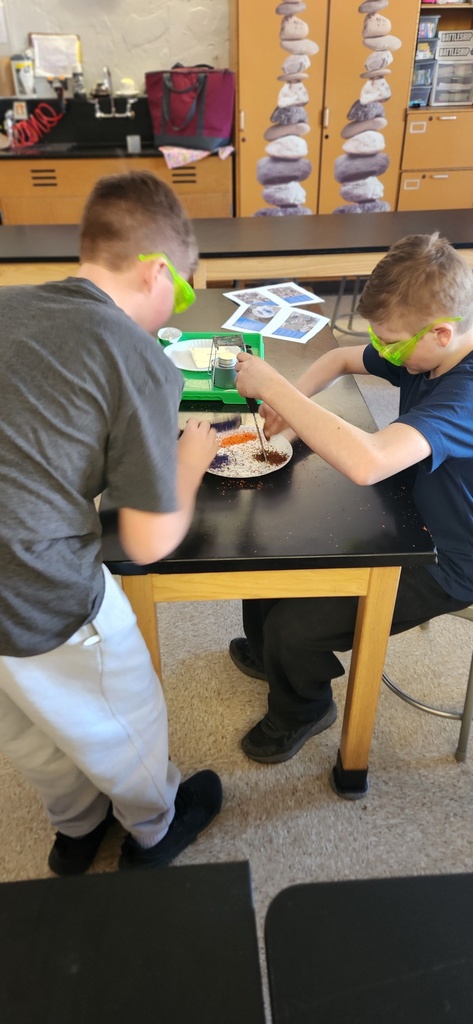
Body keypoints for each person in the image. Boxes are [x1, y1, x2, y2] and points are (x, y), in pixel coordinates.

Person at [0, 170, 223, 874]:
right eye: (184, 291)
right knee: (120, 714)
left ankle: (75, 829)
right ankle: (155, 828)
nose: (177, 305)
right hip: (43, 590)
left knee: (26, 726)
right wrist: (191, 455)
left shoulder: (10, 305)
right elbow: (148, 540)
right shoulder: (138, 358)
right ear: (159, 271)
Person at [231, 232, 473, 765]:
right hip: (408, 509)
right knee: (272, 549)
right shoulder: (428, 354)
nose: (383, 354)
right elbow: (341, 358)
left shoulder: (465, 391)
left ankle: (304, 706)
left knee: (298, 628)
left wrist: (277, 390)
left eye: (391, 345)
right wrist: (290, 422)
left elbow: (368, 461)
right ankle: (273, 653)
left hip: (450, 559)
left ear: (440, 333)